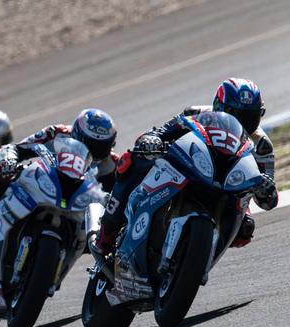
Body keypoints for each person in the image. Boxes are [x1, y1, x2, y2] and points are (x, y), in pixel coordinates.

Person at [95, 78, 277, 256]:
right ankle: (106, 234)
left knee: (245, 228)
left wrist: (266, 190)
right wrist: (152, 139)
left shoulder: (262, 146)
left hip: (229, 186)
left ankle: (200, 257)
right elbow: (163, 131)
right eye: (235, 115)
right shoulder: (198, 114)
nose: (242, 123)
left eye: (250, 117)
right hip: (192, 167)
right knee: (133, 161)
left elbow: (268, 199)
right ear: (218, 107)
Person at [0, 108, 119, 268]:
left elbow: (118, 198)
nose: (92, 151)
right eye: (87, 143)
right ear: (76, 133)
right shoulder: (57, 133)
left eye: (101, 147)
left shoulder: (112, 165)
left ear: (111, 145)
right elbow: (16, 148)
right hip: (43, 186)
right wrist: (8, 162)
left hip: (77, 209)